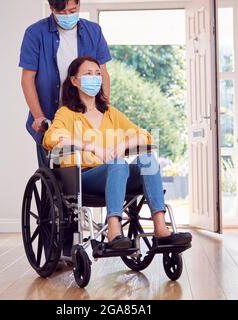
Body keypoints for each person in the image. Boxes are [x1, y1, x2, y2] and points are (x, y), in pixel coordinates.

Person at [43, 56, 192, 250]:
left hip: (117, 173)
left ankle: (160, 228)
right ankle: (114, 229)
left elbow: (144, 136)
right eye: (88, 74)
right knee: (118, 164)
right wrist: (91, 146)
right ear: (74, 81)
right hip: (84, 176)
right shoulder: (66, 114)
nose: (95, 78)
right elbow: (51, 138)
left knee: (147, 158)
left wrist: (123, 145)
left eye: (98, 74)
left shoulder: (110, 113)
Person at [19, 0, 112, 167]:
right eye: (61, 13)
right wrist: (39, 116)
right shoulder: (35, 33)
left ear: (79, 5)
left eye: (72, 10)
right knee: (55, 179)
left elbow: (103, 74)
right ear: (52, 8)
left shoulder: (93, 32)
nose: (68, 16)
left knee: (94, 172)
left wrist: (104, 107)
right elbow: (27, 80)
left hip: (86, 118)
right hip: (50, 119)